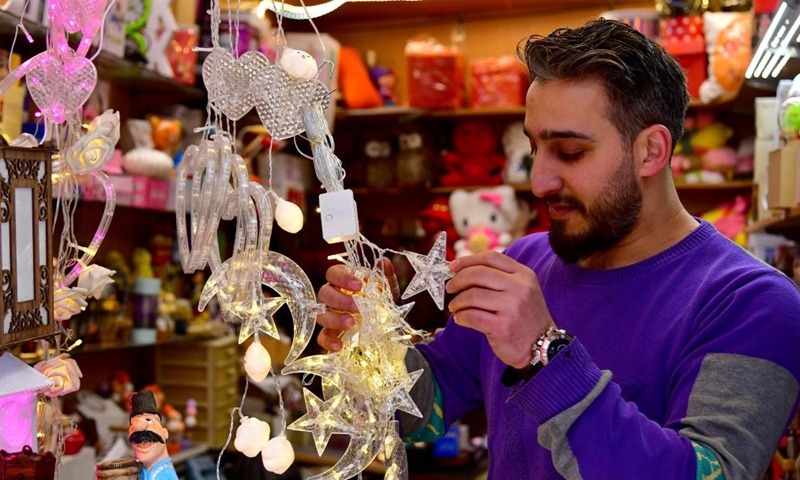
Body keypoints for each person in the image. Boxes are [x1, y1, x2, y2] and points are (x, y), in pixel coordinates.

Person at [316, 18, 800, 479]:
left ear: (651, 151)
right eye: (534, 148)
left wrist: (545, 353)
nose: (541, 181)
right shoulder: (524, 263)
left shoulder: (754, 304)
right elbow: (423, 413)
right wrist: (368, 346)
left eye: (570, 152)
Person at [128, 390, 179, 480]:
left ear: (165, 433)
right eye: (134, 426)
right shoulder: (141, 471)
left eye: (149, 420)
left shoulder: (164, 474)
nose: (141, 428)